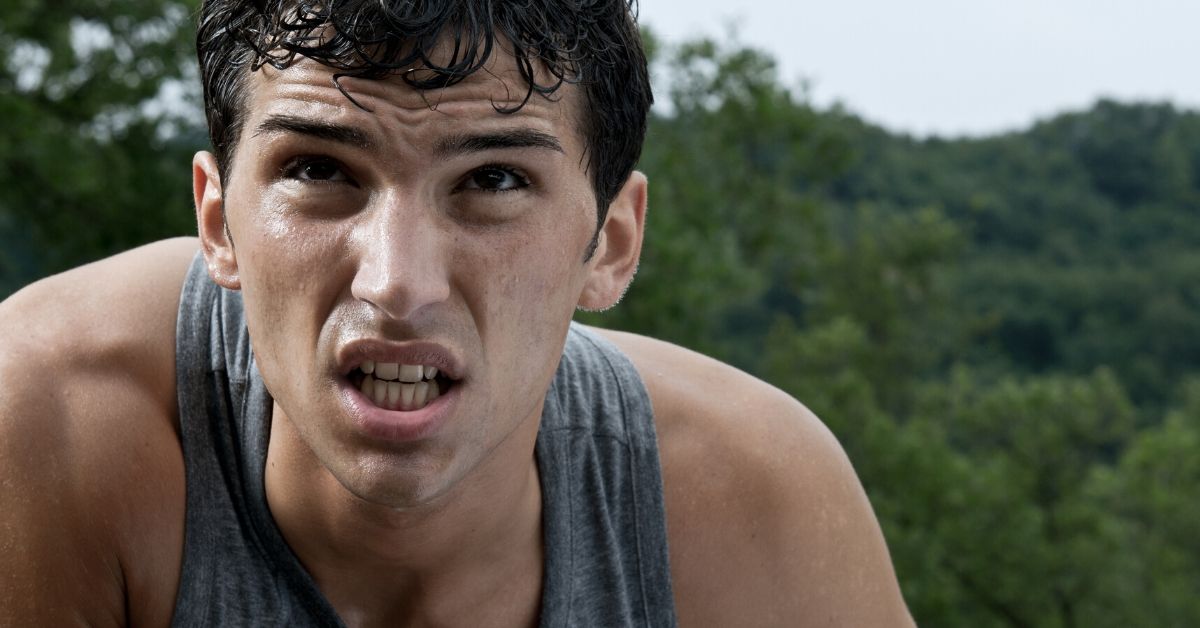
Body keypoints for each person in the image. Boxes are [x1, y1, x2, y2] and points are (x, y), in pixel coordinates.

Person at [0, 1, 914, 625]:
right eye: (320, 169)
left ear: (612, 242)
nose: (397, 285)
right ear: (218, 219)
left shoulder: (749, 510)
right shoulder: (53, 423)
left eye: (494, 180)